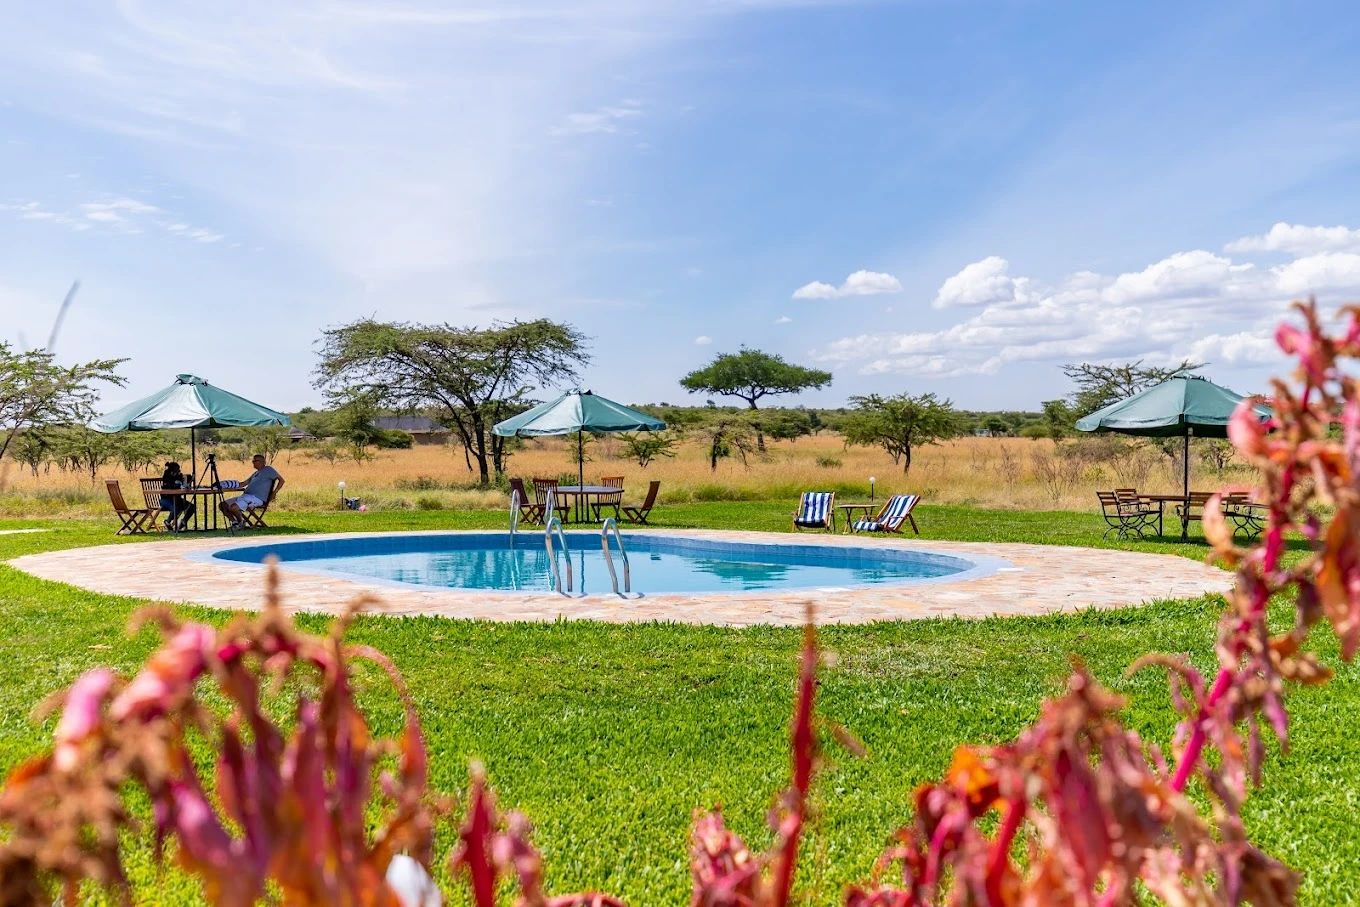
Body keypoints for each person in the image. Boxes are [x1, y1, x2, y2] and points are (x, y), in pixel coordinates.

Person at [220, 454, 285, 529]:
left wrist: (274, 492)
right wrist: (224, 485)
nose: (253, 462)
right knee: (223, 505)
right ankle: (235, 522)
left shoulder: (268, 469)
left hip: (256, 498)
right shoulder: (256, 473)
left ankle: (240, 523)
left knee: (233, 507)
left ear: (261, 462)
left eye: (254, 460)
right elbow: (243, 483)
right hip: (246, 496)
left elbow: (281, 480)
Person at [159, 461, 196, 531]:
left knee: (191, 507)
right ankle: (168, 522)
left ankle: (183, 522)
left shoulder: (178, 476)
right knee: (176, 508)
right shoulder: (166, 476)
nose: (178, 471)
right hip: (166, 499)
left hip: (177, 499)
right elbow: (168, 485)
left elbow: (183, 481)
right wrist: (176, 484)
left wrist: (189, 479)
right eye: (176, 470)